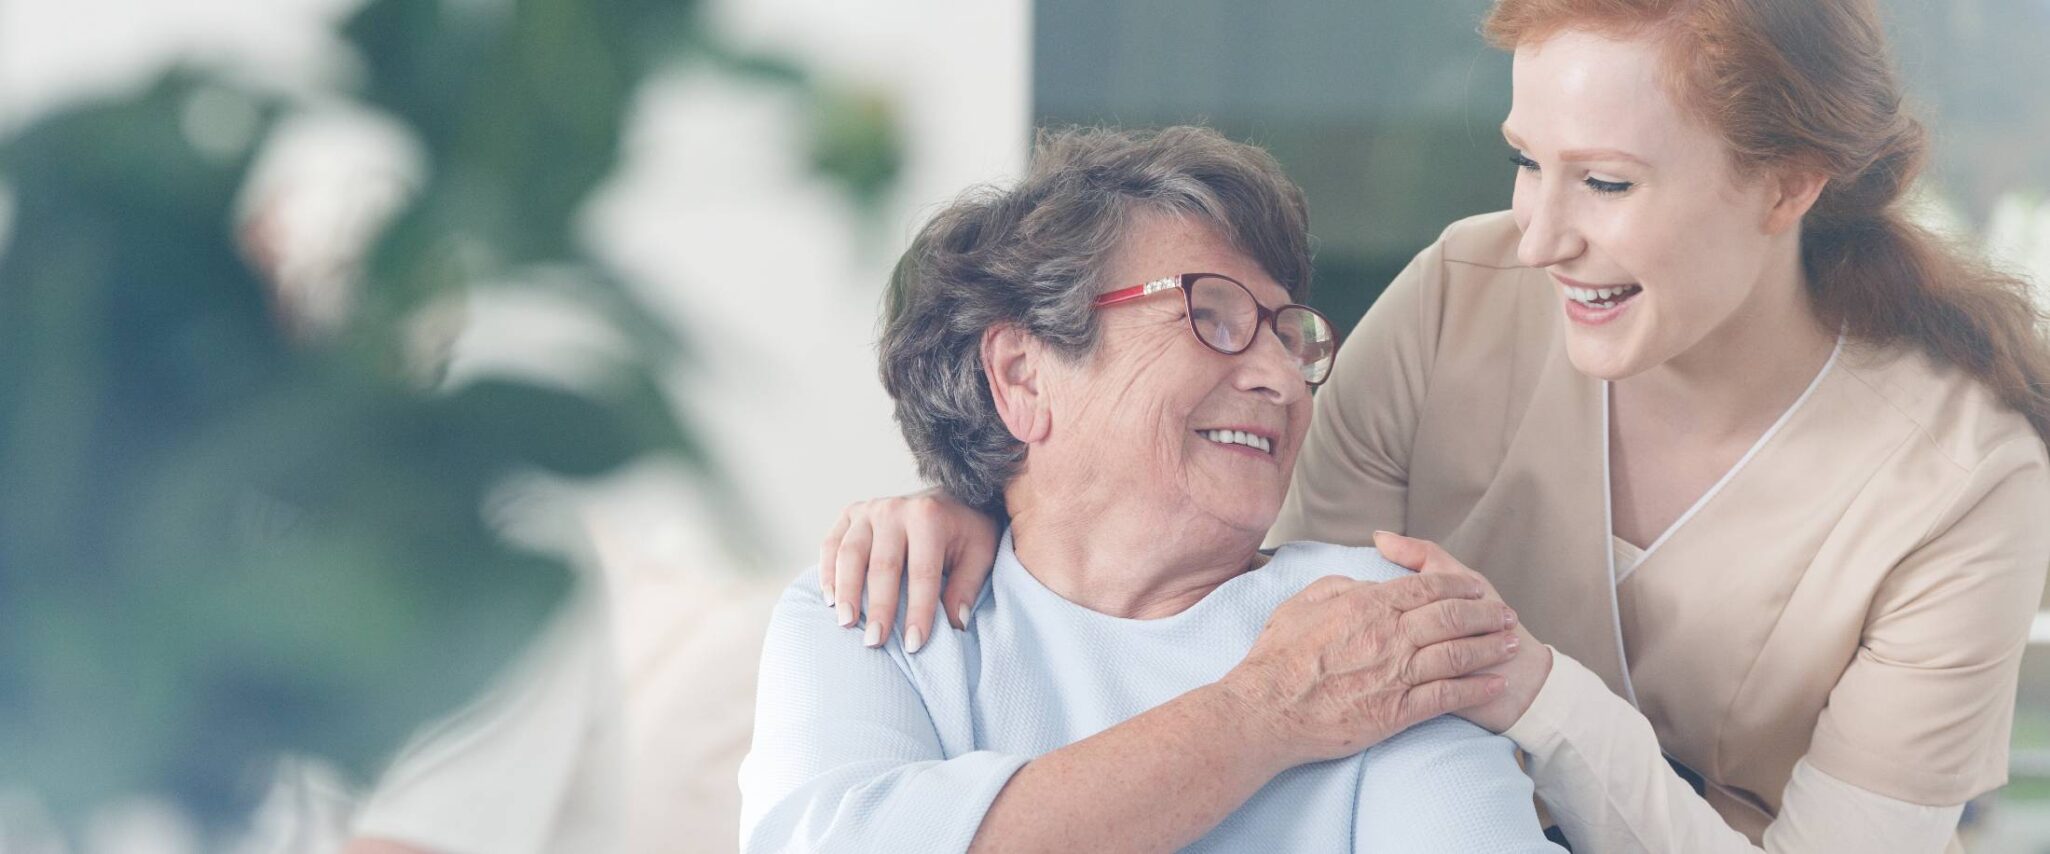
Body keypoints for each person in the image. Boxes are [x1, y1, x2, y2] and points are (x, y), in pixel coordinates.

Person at [817, 1, 2050, 851]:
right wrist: (987, 491)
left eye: (1606, 182)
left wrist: (1532, 692)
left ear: (1787, 185)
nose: (1538, 232)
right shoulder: (1467, 292)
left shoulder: (1960, 484)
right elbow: (1246, 614)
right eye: (1526, 161)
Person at [739, 126, 1564, 852]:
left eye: (1289, 335)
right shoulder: (877, 609)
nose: (1283, 377)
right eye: (1214, 314)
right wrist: (1266, 711)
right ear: (1023, 376)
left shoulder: (1369, 628)